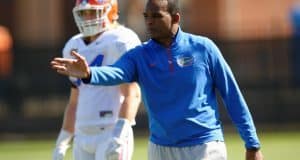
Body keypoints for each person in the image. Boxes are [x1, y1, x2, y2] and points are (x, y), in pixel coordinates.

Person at [51, 0, 264, 160]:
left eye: (156, 16)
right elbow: (116, 73)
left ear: (176, 17)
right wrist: (89, 74)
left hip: (205, 145)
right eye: (146, 16)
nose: (149, 22)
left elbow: (232, 96)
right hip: (161, 148)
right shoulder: (140, 55)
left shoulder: (203, 48)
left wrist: (252, 145)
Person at [52, 0, 141, 160]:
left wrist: (119, 134)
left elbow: (132, 94)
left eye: (92, 12)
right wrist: (62, 142)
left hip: (110, 130)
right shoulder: (73, 45)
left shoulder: (121, 40)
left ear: (111, 11)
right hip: (82, 133)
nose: (87, 18)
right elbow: (74, 102)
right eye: (83, 13)